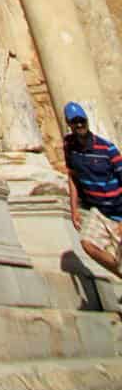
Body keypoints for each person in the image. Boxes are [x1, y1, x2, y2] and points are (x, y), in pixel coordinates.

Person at [64, 100, 122, 279]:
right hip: (99, 211)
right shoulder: (69, 146)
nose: (80, 125)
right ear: (69, 124)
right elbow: (72, 177)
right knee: (87, 243)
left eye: (82, 120)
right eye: (75, 122)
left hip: (119, 209)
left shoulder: (107, 149)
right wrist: (74, 209)